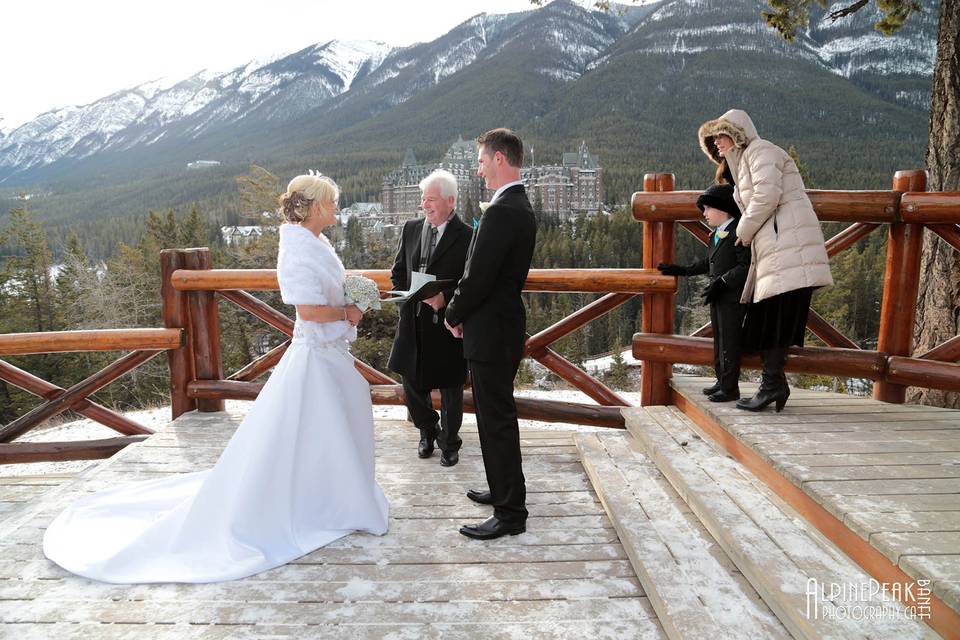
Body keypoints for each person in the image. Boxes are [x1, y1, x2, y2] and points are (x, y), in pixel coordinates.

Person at [42, 173, 389, 583]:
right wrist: (350, 313)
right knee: (318, 427)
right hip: (315, 353)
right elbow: (309, 311)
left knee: (329, 428)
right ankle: (318, 501)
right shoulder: (297, 251)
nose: (335, 209)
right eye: (331, 203)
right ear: (314, 207)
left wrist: (351, 296)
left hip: (330, 353)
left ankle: (333, 495)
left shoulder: (317, 242)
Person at [698, 109, 833, 412]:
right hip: (779, 248)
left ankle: (772, 385)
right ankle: (773, 384)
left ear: (737, 133)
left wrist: (742, 232)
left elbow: (766, 197)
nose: (717, 142)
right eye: (713, 139)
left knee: (776, 317)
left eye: (721, 135)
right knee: (770, 318)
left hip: (788, 246)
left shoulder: (762, 151)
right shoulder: (744, 161)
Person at [444, 128, 536, 540]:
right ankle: (504, 489)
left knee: (496, 420)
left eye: (481, 160)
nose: (479, 169)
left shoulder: (503, 211)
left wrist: (453, 311)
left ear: (500, 159)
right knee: (495, 416)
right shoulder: (517, 204)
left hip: (492, 330)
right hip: (499, 327)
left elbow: (478, 276)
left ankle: (511, 513)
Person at [388, 169, 471, 467]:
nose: (425, 205)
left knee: (450, 386)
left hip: (449, 322)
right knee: (409, 378)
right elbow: (398, 273)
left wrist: (445, 300)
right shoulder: (410, 229)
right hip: (413, 319)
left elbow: (471, 281)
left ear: (450, 201)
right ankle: (427, 430)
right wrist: (405, 300)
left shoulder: (468, 236)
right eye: (423, 199)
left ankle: (450, 443)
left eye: (431, 199)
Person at [657, 183, 750, 402]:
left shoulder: (739, 230)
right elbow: (709, 263)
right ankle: (721, 380)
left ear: (723, 208)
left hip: (733, 297)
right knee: (719, 340)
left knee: (729, 342)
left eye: (708, 209)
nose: (704, 214)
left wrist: (723, 282)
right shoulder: (715, 234)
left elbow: (746, 265)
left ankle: (730, 388)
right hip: (717, 296)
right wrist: (681, 271)